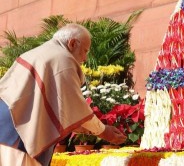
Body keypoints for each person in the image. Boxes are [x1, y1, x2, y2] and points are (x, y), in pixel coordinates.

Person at [0, 24, 126, 165]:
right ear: (72, 43)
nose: (85, 58)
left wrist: (85, 128)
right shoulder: (63, 59)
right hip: (19, 138)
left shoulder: (34, 53)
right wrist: (103, 131)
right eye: (85, 51)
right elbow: (76, 107)